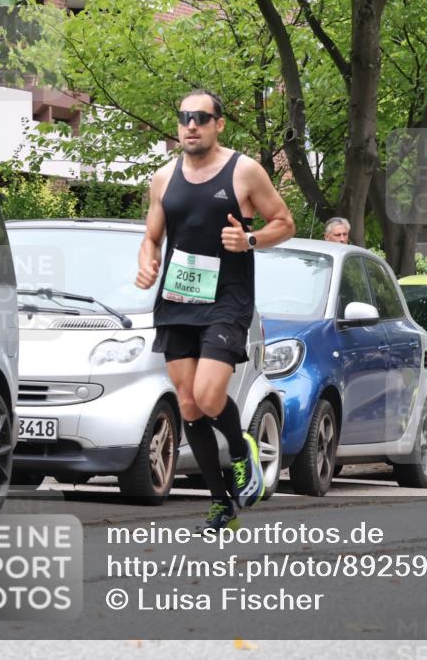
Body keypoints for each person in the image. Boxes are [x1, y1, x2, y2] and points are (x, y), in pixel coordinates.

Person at [135, 89, 295, 530]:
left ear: (218, 124)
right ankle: (221, 502)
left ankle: (241, 450)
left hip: (227, 300)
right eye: (185, 116)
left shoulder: (244, 171)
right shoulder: (163, 177)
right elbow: (152, 235)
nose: (191, 125)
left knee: (208, 395)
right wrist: (147, 260)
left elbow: (284, 221)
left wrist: (250, 240)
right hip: (177, 300)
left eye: (201, 118)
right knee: (188, 406)